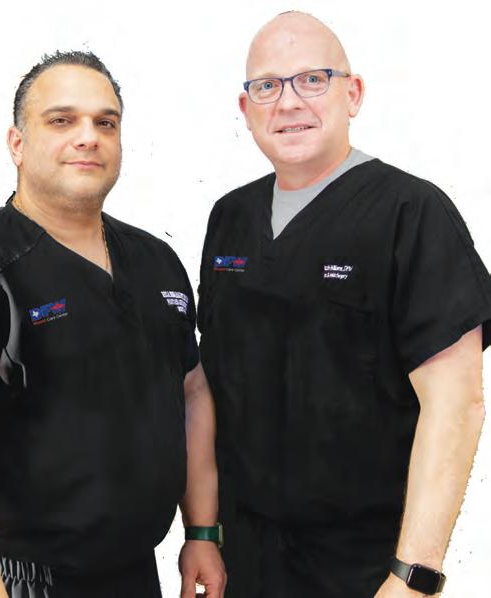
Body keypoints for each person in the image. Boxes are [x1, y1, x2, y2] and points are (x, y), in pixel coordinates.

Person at [0, 51, 227, 598]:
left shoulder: (155, 261)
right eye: (62, 120)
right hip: (18, 581)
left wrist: (201, 531)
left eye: (105, 123)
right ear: (17, 144)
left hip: (134, 575)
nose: (88, 137)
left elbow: (191, 390)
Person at [198, 11, 490, 597]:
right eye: (267, 86)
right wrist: (203, 532)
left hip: (366, 567)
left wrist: (414, 575)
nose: (289, 102)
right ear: (245, 108)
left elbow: (456, 405)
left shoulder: (411, 213)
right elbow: (208, 384)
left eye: (312, 79)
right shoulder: (230, 217)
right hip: (245, 559)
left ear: (352, 94)